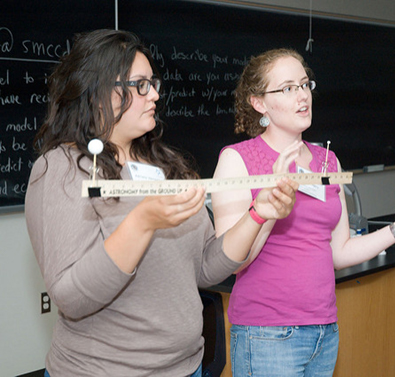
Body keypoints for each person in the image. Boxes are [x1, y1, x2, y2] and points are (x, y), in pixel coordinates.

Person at [25, 30, 298, 377]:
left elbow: (206, 268)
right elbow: (73, 298)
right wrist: (141, 223)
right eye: (140, 85)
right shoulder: (60, 168)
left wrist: (260, 213)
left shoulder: (165, 167)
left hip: (186, 368)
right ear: (97, 94)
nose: (154, 94)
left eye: (153, 83)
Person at [211, 48, 395, 377]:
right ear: (259, 103)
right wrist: (273, 203)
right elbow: (233, 262)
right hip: (268, 333)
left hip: (324, 330)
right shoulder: (237, 160)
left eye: (305, 85)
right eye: (288, 88)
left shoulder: (327, 161)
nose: (303, 96)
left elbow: (340, 250)